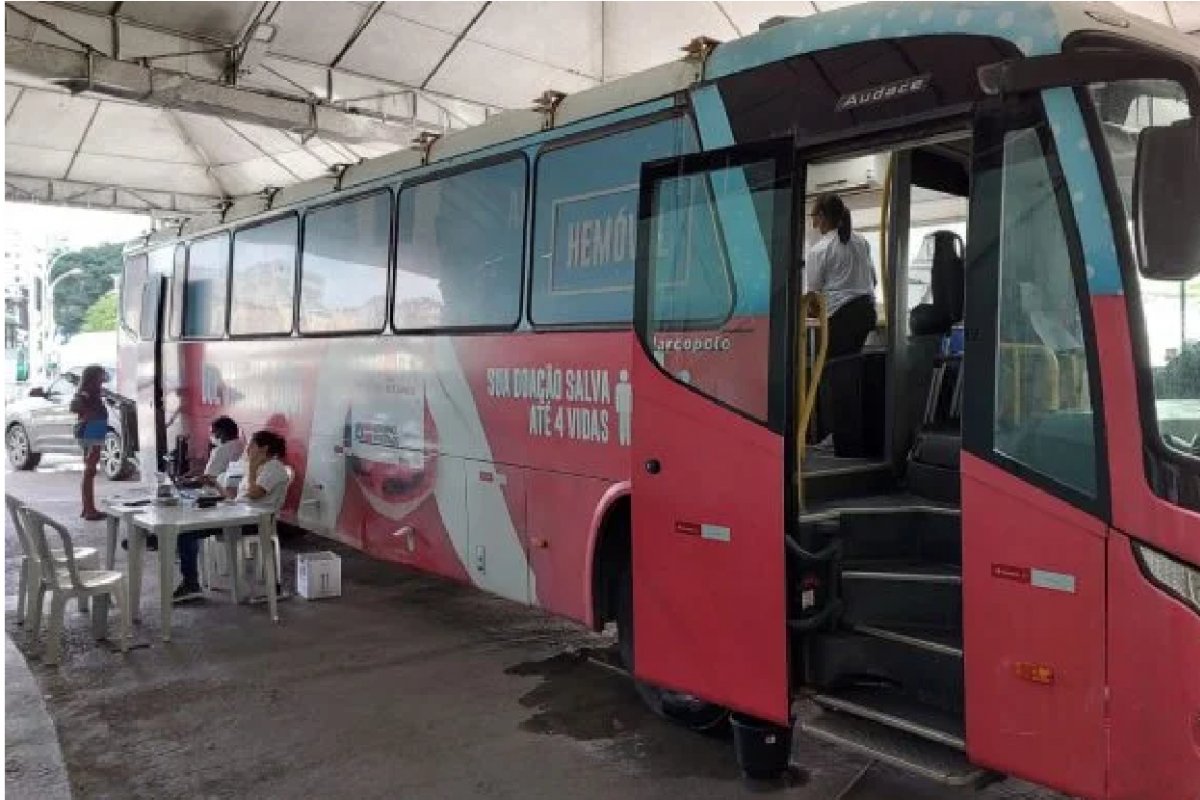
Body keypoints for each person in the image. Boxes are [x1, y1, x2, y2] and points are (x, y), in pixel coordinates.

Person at [174, 430, 291, 602]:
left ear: (264, 448)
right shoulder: (259, 466)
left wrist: (251, 467)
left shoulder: (274, 468)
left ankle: (190, 584)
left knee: (187, 533)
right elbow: (238, 499)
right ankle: (190, 582)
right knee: (188, 525)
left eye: (251, 445)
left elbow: (254, 494)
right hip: (237, 514)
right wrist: (216, 486)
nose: (247, 449)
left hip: (254, 521)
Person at [806, 194, 879, 455]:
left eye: (814, 216)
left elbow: (813, 295)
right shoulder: (862, 242)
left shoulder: (820, 249)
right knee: (854, 376)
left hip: (842, 317)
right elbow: (873, 280)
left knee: (835, 378)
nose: (813, 221)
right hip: (866, 312)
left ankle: (839, 437)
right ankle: (852, 435)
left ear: (822, 217)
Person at [69, 365, 109, 521]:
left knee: (90, 471)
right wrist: (89, 414)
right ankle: (89, 509)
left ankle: (87, 507)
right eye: (100, 376)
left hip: (94, 431)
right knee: (89, 470)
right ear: (92, 378)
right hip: (90, 432)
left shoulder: (94, 392)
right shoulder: (86, 392)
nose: (103, 379)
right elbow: (75, 406)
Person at [185, 416, 244, 489]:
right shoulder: (241, 445)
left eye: (213, 432)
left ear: (222, 432)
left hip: (216, 491)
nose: (211, 436)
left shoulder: (221, 450)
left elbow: (210, 478)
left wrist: (189, 481)